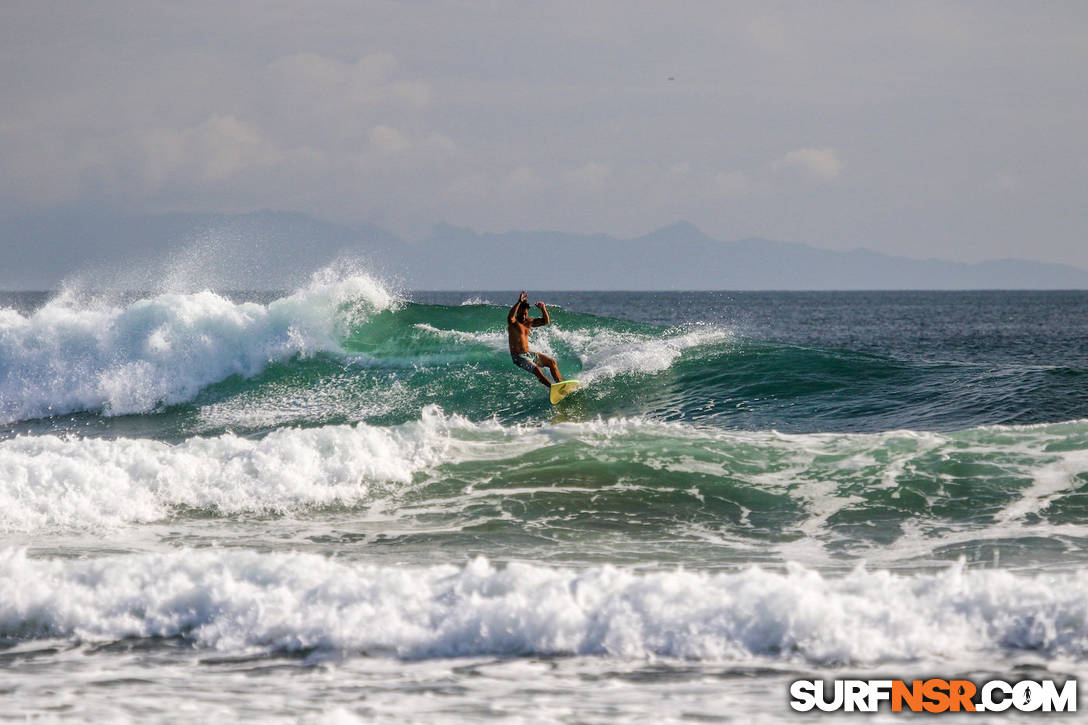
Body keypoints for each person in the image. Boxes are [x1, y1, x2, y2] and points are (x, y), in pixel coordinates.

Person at [507, 291, 562, 388]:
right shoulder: (513, 323)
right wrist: (519, 302)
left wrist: (543, 308)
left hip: (528, 354)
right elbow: (510, 316)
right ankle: (553, 388)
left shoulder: (529, 322)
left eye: (525, 314)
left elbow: (546, 321)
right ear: (517, 312)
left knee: (552, 363)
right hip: (518, 357)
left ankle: (561, 386)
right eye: (521, 314)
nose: (523, 316)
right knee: (536, 370)